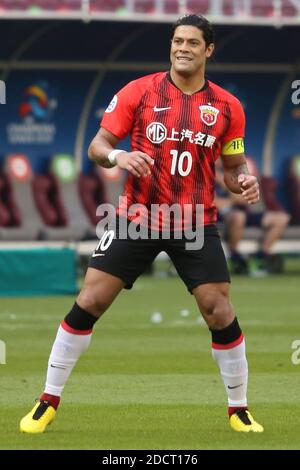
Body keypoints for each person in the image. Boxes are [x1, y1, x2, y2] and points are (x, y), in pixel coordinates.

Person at [20, 14, 263, 434]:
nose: (182, 48)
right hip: (138, 216)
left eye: (191, 42)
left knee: (218, 309)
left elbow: (232, 166)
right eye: (176, 41)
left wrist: (242, 180)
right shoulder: (140, 91)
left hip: (194, 221)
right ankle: (47, 400)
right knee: (91, 301)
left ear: (209, 50)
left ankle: (238, 409)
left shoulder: (228, 107)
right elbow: (98, 146)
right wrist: (119, 158)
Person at [215, 161, 290, 275]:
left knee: (281, 218)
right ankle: (235, 257)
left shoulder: (230, 174)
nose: (219, 160)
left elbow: (243, 199)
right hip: (219, 217)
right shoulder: (203, 175)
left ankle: (261, 257)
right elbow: (211, 203)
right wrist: (231, 199)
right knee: (239, 217)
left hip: (242, 212)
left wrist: (223, 182)